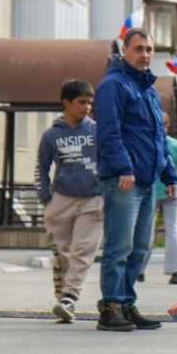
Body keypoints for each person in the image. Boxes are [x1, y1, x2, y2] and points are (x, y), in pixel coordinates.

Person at [94, 29, 177, 332]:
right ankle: (111, 306)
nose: (145, 55)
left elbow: (158, 137)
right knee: (120, 246)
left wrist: (169, 173)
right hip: (124, 180)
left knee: (141, 247)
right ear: (124, 52)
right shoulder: (113, 86)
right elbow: (108, 133)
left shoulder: (149, 90)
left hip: (147, 181)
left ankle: (127, 304)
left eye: (149, 49)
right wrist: (123, 168)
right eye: (139, 49)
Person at [36, 79, 103, 324]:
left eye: (90, 103)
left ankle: (69, 297)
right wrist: (46, 198)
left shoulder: (96, 131)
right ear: (66, 103)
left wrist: (105, 188)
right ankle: (63, 298)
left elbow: (107, 158)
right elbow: (41, 169)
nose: (87, 107)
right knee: (63, 253)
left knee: (83, 251)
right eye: (81, 102)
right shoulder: (51, 135)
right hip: (61, 199)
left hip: (93, 199)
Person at [154, 112, 177, 285]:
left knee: (145, 230)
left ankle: (138, 269)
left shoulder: (148, 143)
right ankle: (175, 269)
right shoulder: (175, 145)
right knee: (172, 229)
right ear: (167, 126)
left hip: (151, 190)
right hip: (172, 191)